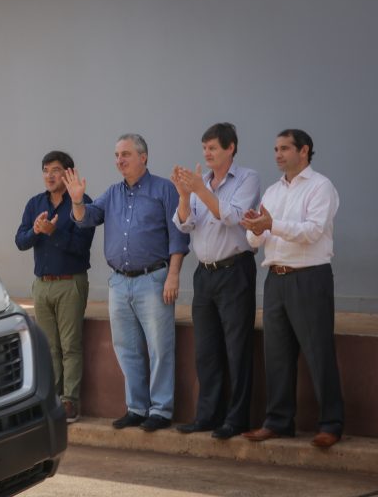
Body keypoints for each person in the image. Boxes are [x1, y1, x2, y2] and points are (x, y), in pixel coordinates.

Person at [64, 134, 189, 432]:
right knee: (126, 348)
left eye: (126, 154)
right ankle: (136, 407)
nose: (119, 160)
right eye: (117, 155)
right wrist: (78, 201)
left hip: (154, 279)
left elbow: (178, 235)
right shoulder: (112, 192)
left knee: (160, 347)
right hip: (119, 283)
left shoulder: (164, 189)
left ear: (143, 157)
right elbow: (86, 219)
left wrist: (173, 275)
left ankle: (160, 410)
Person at [240, 129, 344, 448]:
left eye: (285, 148)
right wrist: (255, 230)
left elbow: (312, 232)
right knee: (278, 355)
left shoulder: (320, 187)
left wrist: (270, 225)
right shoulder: (272, 192)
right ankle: (278, 421)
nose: (278, 154)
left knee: (318, 352)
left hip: (309, 277)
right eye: (275, 149)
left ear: (304, 150)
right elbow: (256, 241)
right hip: (276, 278)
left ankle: (331, 424)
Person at [171, 123, 260, 439]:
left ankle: (236, 420)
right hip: (204, 274)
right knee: (206, 350)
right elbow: (185, 225)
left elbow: (233, 216)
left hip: (235, 269)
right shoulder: (200, 183)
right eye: (204, 147)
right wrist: (184, 196)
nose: (207, 153)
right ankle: (207, 416)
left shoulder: (247, 178)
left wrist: (199, 190)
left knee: (237, 348)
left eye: (213, 148)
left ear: (230, 148)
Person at [15, 151, 95, 423]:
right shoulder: (35, 203)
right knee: (49, 346)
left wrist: (54, 232)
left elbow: (81, 247)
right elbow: (20, 241)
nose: (50, 175)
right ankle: (53, 398)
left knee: (70, 345)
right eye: (46, 170)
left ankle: (70, 401)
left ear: (69, 173)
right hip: (41, 285)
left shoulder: (82, 204)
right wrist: (37, 231)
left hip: (70, 282)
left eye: (56, 170)